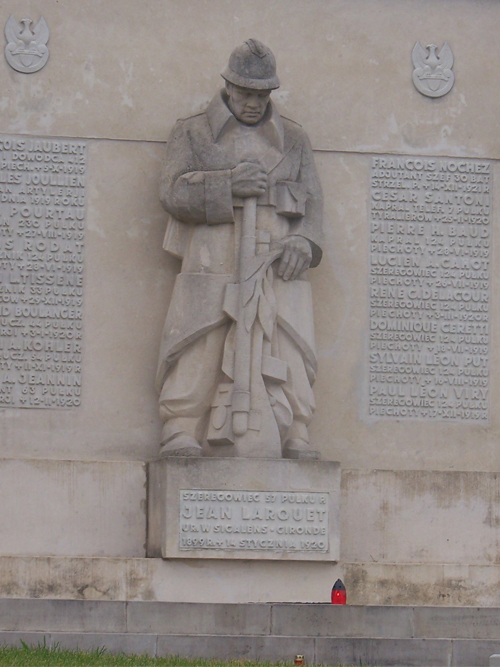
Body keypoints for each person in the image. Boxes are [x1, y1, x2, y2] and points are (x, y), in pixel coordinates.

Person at [156, 39, 323, 459]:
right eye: (246, 92)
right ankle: (180, 426)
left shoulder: (295, 139)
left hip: (279, 259)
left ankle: (296, 432)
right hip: (214, 257)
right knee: (200, 334)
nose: (253, 102)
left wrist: (305, 240)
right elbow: (172, 192)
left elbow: (314, 204)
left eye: (262, 93)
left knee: (289, 340)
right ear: (228, 87)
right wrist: (227, 185)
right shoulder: (192, 131)